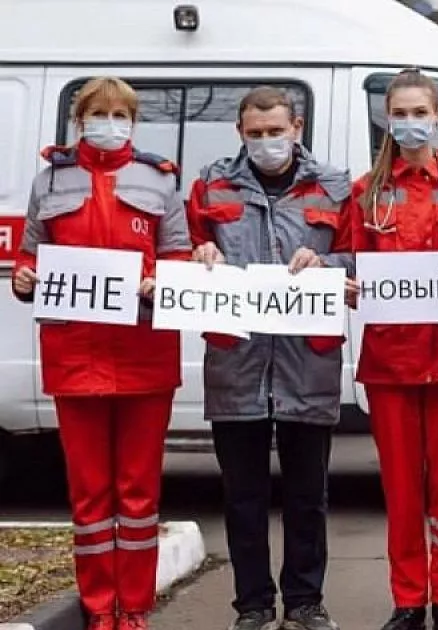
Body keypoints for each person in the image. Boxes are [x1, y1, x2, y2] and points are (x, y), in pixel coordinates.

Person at [10, 76, 191, 630]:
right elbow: (31, 257)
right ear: (79, 119)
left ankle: (133, 609)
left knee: (138, 493)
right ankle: (97, 609)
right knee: (89, 497)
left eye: (121, 114)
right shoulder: (49, 180)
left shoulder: (160, 180)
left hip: (144, 355)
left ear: (133, 121)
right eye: (99, 113)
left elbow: (178, 256)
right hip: (75, 357)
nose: (110, 123)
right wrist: (24, 278)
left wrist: (160, 281)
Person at [187, 86, 353, 630]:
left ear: (296, 128)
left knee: (308, 497)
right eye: (255, 133)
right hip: (237, 364)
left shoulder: (334, 186)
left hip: (309, 364)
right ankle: (253, 606)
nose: (266, 141)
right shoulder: (211, 185)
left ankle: (305, 603)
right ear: (240, 133)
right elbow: (181, 252)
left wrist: (329, 264)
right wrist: (199, 254)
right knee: (243, 499)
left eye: (275, 131)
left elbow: (359, 259)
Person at [344, 69, 438, 630]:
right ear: (387, 118)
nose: (409, 122)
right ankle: (407, 601)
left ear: (437, 115)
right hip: (391, 363)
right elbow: (350, 260)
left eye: (419, 112)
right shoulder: (367, 190)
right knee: (401, 492)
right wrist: (347, 285)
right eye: (399, 113)